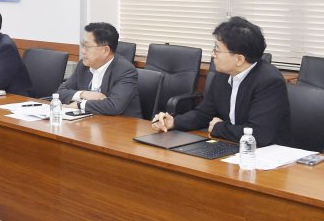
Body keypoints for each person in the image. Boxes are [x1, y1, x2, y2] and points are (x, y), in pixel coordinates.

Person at [152, 17, 290, 147]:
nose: (213, 54)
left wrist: (219, 128)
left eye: (217, 49)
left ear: (239, 59)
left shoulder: (269, 82)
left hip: (266, 156)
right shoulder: (223, 74)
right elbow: (204, 114)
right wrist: (174, 122)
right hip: (231, 145)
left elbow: (259, 134)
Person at [57, 22, 141, 117]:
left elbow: (114, 106)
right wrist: (84, 94)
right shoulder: (83, 65)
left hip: (122, 127)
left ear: (105, 50)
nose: (83, 51)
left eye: (87, 47)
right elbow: (60, 93)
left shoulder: (125, 70)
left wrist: (80, 104)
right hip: (91, 123)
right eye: (83, 45)